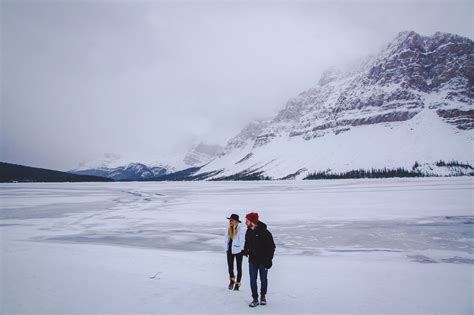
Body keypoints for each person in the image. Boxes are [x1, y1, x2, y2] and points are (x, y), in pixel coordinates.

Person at [244, 212, 276, 307]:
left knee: (263, 279)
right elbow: (247, 242)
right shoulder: (249, 231)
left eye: (247, 220)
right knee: (252, 280)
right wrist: (246, 250)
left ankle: (263, 296)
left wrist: (269, 260)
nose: (246, 222)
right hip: (253, 261)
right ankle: (255, 298)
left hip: (263, 261)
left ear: (252, 221)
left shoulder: (265, 232)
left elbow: (272, 247)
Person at [224, 213, 245, 291]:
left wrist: (242, 249)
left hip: (238, 250)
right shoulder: (228, 228)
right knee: (230, 267)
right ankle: (232, 280)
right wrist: (226, 247)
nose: (230, 222)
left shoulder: (240, 230)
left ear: (236, 221)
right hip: (229, 250)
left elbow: (242, 240)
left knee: (239, 268)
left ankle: (237, 284)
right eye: (229, 220)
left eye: (231, 220)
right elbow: (226, 239)